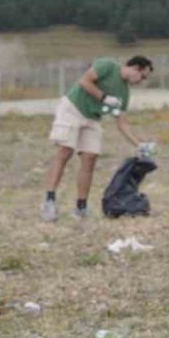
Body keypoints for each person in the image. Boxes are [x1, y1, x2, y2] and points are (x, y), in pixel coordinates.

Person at [40, 56, 153, 221]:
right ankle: (49, 201)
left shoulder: (124, 93)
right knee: (65, 151)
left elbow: (122, 123)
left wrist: (140, 145)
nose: (142, 81)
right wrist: (104, 98)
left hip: (92, 117)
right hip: (72, 109)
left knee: (90, 157)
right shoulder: (107, 66)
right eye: (143, 76)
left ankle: (81, 207)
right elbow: (84, 81)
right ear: (135, 68)